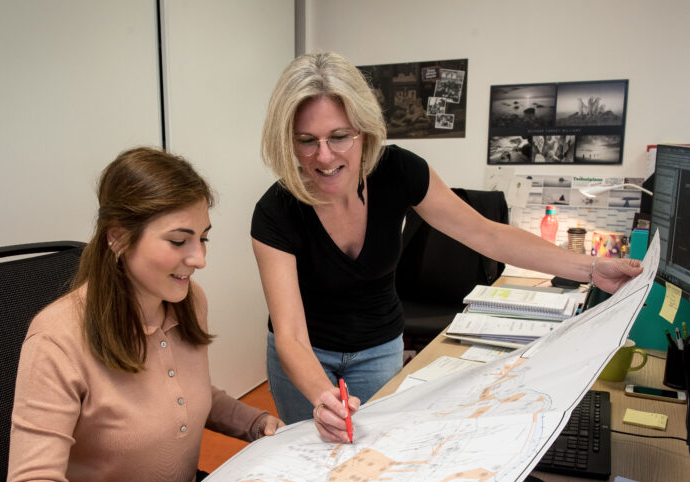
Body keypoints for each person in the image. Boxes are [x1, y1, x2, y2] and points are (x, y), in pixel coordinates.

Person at [251, 52, 642, 443]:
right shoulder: (275, 211)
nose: (324, 156)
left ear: (364, 131)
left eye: (339, 137)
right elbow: (291, 335)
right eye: (306, 141)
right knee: (312, 460)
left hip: (378, 348)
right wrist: (323, 399)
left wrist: (590, 268)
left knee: (375, 457)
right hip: (305, 356)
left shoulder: (398, 171)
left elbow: (488, 235)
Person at [1, 147, 283, 482]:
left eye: (203, 238)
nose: (199, 258)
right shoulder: (56, 339)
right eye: (178, 241)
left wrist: (255, 423)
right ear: (118, 238)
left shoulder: (188, 300)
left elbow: (182, 392)